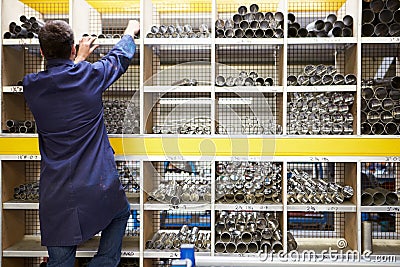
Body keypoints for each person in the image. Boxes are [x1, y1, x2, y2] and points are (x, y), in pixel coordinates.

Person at [23, 19, 140, 267]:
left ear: (42, 52)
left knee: (61, 261)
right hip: (97, 185)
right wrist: (130, 31)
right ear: (73, 49)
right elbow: (119, 58)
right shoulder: (89, 75)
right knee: (120, 214)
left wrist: (76, 61)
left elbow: (59, 81)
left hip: (56, 194)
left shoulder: (31, 86)